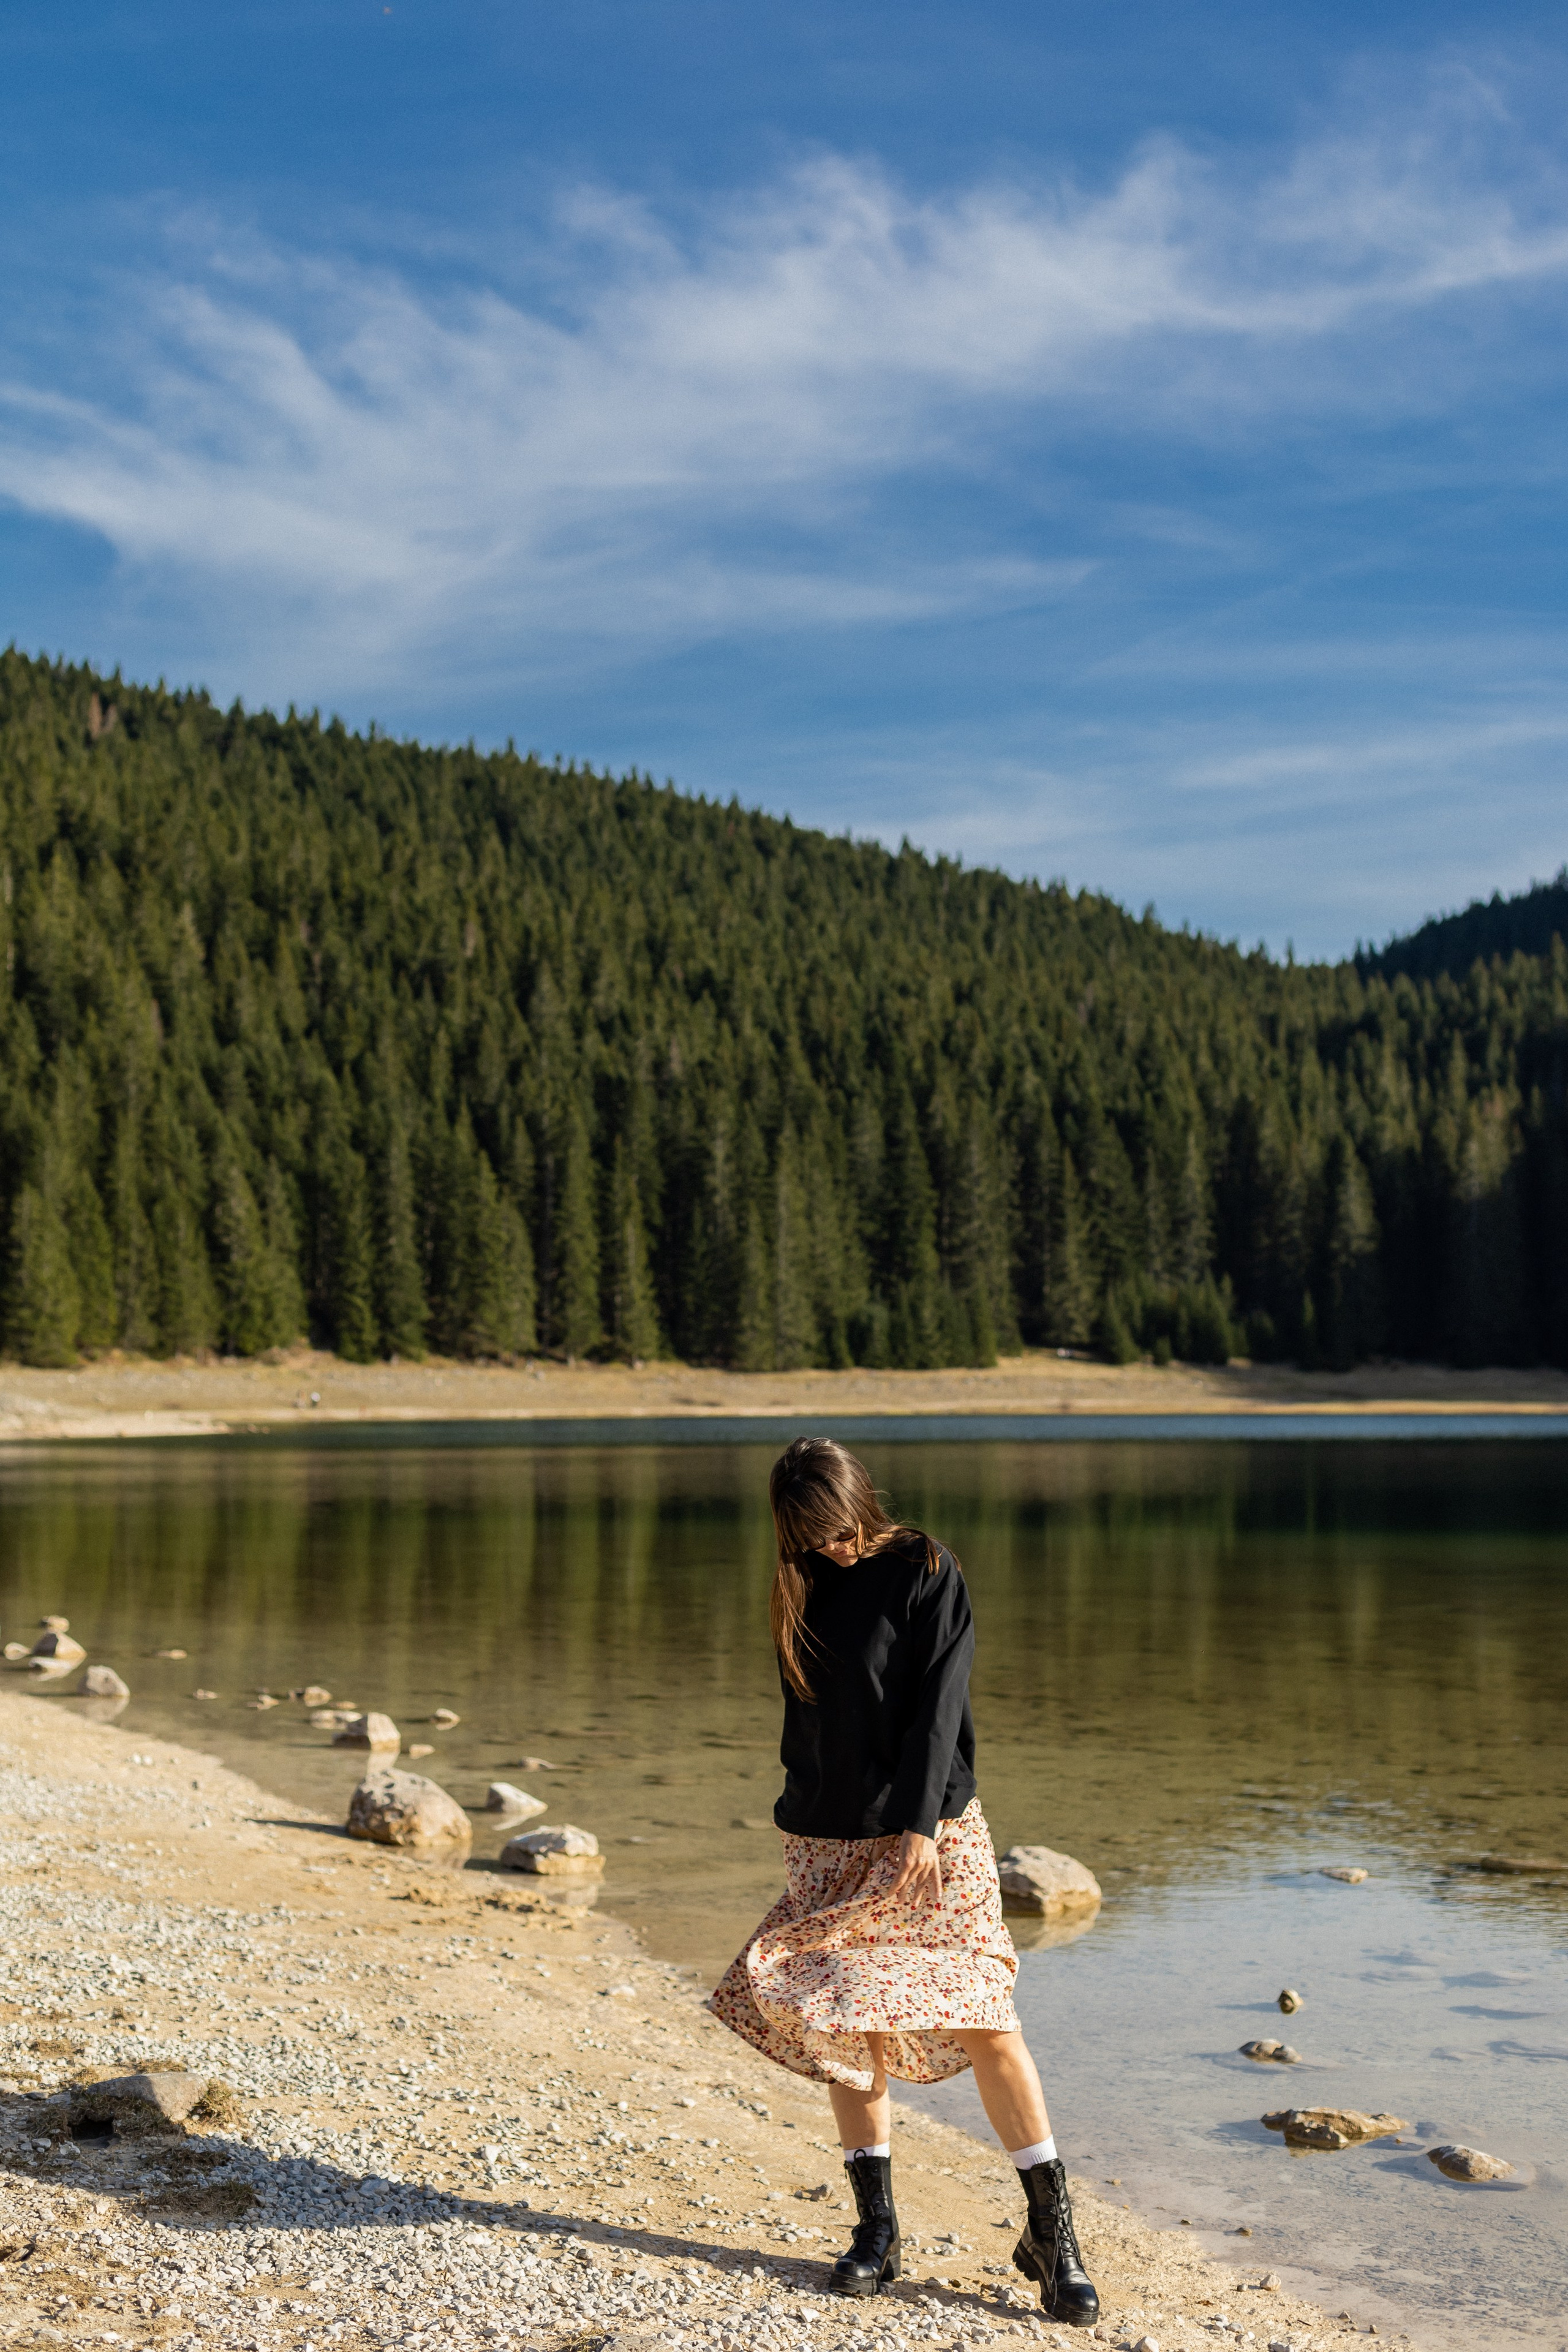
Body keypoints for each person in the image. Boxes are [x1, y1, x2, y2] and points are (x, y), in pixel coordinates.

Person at [710, 1437, 1099, 2328]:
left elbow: (939, 1709)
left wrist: (919, 1826)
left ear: (863, 1507)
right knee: (850, 2026)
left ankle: (1054, 2237)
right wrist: (805, 1819)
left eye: (840, 1532)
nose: (831, 1549)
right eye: (811, 1537)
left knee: (989, 2018)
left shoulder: (927, 1568)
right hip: (831, 1839)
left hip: (936, 1834)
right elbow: (811, 1719)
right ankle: (877, 2234)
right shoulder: (799, 1581)